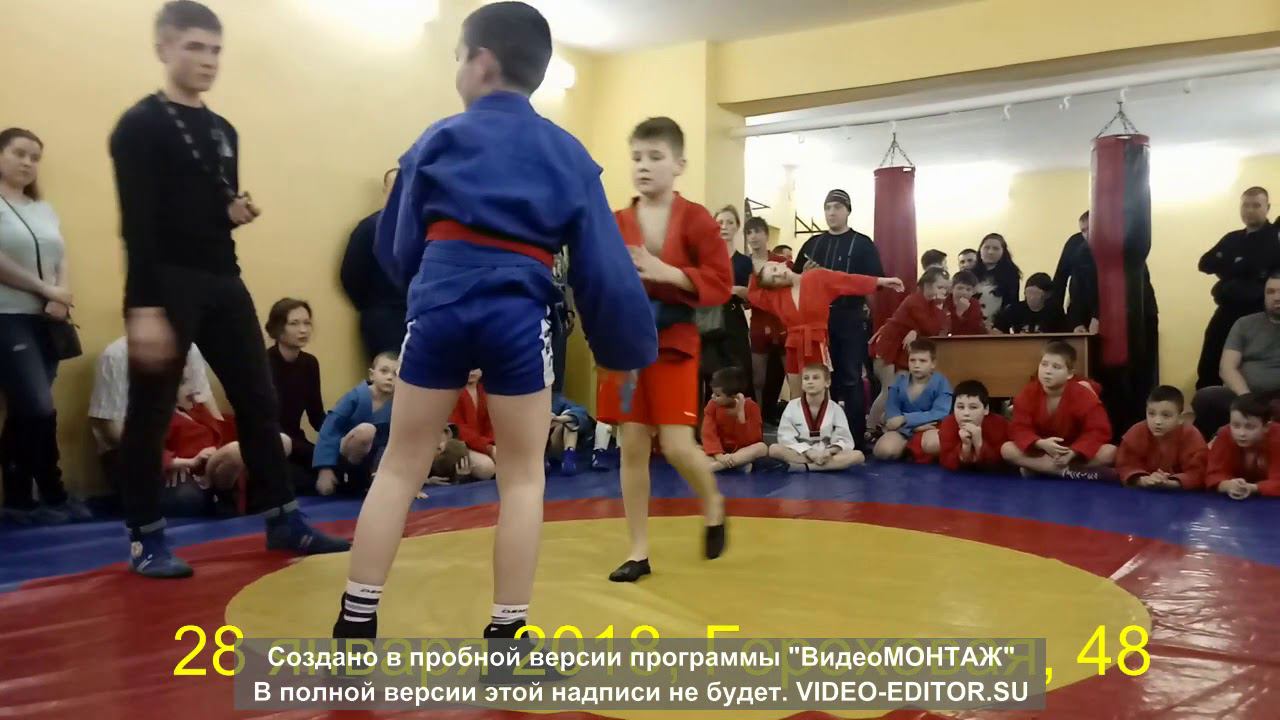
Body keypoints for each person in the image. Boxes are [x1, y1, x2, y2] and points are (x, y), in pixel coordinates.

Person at [334, 1, 656, 640]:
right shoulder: (567, 152)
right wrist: (624, 350)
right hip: (518, 314)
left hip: (441, 302)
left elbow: (395, 246)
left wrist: (429, 288)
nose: (458, 69)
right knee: (523, 475)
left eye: (458, 57)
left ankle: (355, 622)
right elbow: (601, 267)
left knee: (400, 463)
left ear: (481, 63)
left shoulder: (437, 139)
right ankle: (507, 633)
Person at [108, 1, 348, 577]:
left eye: (215, 50)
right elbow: (138, 224)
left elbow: (209, 205)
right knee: (151, 408)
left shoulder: (223, 130)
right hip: (164, 282)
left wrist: (232, 211)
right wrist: (143, 307)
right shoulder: (139, 126)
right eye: (194, 47)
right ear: (164, 48)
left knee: (260, 399)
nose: (208, 60)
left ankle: (283, 519)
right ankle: (145, 537)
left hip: (222, 277)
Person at [594, 116, 731, 584]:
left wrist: (666, 272)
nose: (644, 166)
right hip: (626, 346)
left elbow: (721, 283)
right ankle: (638, 551)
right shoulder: (616, 222)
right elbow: (600, 279)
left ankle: (712, 500)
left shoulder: (696, 219)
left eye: (655, 157)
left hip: (673, 342)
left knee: (675, 445)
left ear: (679, 165)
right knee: (632, 445)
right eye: (636, 157)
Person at [0, 127, 86, 525]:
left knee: (26, 409)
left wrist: (60, 294)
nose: (28, 163)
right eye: (19, 153)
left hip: (47, 320)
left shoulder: (43, 209)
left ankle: (20, 500)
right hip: (8, 317)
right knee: (38, 407)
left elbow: (59, 255)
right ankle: (53, 492)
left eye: (35, 157)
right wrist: (43, 288)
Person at [794, 189, 886, 444]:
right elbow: (794, 282)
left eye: (837, 207)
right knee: (823, 378)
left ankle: (854, 438)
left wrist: (875, 320)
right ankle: (823, 435)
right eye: (827, 208)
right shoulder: (813, 244)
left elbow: (873, 284)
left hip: (850, 317)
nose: (831, 212)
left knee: (851, 378)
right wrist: (804, 275)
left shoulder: (862, 243)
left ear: (848, 211)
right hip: (817, 321)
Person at [749, 260, 901, 399]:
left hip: (817, 342)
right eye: (773, 279)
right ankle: (799, 421)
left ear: (781, 263)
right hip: (794, 346)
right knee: (796, 396)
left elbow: (848, 280)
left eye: (775, 269)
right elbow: (753, 293)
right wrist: (757, 269)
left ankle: (825, 420)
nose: (778, 275)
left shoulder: (817, 277)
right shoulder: (775, 296)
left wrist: (881, 281)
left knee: (821, 391)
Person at [90, 337, 221, 492]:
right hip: (132, 452)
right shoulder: (117, 355)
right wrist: (175, 461)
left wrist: (219, 450)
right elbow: (113, 431)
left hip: (190, 451)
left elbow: (208, 407)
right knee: (187, 495)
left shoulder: (189, 348)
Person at [161, 366, 294, 517]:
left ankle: (249, 493)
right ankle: (226, 497)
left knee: (284, 442)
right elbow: (150, 454)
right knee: (234, 451)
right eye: (183, 383)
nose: (192, 389)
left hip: (218, 459)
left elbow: (224, 427)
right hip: (200, 470)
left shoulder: (197, 411)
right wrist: (188, 462)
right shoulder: (162, 420)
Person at [1195, 187, 1279, 389]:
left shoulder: (1275, 239)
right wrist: (1237, 266)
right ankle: (1208, 402)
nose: (1250, 210)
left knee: (1253, 364)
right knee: (1210, 360)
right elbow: (1205, 263)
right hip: (1227, 310)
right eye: (1245, 205)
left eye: (1256, 205)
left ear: (1267, 208)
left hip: (1259, 312)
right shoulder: (1232, 238)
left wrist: (1231, 264)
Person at [1001, 342, 1117, 480]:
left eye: (1056, 367)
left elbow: (1097, 430)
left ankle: (1041, 469)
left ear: (1069, 374)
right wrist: (1040, 443)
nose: (1047, 371)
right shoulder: (1028, 393)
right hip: (1042, 451)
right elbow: (1019, 428)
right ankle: (1067, 472)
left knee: (1110, 452)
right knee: (1007, 449)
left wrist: (1073, 452)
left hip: (1074, 452)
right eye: (1044, 364)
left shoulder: (1083, 395)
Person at [1192, 270, 1280, 440]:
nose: (1276, 297)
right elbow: (1227, 368)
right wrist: (1246, 398)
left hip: (1277, 397)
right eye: (1270, 292)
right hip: (1244, 394)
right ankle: (1210, 449)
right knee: (1206, 397)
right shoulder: (1244, 324)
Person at [341, 168, 408, 361]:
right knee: (387, 373)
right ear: (385, 190)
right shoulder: (369, 229)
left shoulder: (419, 229)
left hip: (413, 317)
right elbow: (351, 275)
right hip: (383, 317)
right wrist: (373, 307)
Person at [870, 267, 950, 427]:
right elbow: (930, 327)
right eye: (940, 287)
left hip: (900, 349)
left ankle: (886, 425)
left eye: (945, 288)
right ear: (927, 285)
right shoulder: (915, 301)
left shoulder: (928, 304)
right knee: (888, 390)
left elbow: (938, 328)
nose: (944, 292)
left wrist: (915, 330)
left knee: (900, 390)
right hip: (888, 346)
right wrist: (939, 308)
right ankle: (870, 427)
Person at [314, 352, 399, 496]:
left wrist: (410, 483)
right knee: (366, 431)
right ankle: (350, 476)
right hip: (345, 454)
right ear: (372, 375)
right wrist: (325, 469)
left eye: (396, 374)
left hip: (375, 460)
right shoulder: (355, 397)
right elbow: (330, 428)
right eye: (384, 371)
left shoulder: (399, 404)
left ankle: (369, 480)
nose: (390, 377)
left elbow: (402, 443)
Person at [265, 298, 325, 486]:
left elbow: (316, 416)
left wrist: (338, 437)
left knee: (344, 468)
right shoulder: (263, 363)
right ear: (278, 328)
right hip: (273, 444)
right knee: (305, 482)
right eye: (294, 323)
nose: (303, 330)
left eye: (307, 323)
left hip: (298, 441)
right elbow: (265, 421)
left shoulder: (310, 363)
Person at [699, 205, 752, 406]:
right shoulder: (705, 258)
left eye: (730, 222)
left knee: (738, 373)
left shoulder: (744, 262)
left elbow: (751, 295)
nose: (725, 226)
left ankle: (739, 416)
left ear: (737, 227)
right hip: (710, 320)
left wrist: (736, 290)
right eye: (720, 222)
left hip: (734, 318)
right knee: (712, 375)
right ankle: (711, 419)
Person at [769, 364, 865, 471]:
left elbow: (844, 438)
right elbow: (785, 437)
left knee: (858, 455)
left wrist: (829, 451)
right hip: (802, 452)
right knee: (774, 449)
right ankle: (828, 466)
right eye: (806, 378)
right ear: (802, 384)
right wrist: (808, 451)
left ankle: (807, 467)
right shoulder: (792, 406)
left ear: (827, 382)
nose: (810, 382)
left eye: (815, 378)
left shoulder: (835, 408)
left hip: (826, 453)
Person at [1115, 385, 1208, 491]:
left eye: (1166, 415)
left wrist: (1171, 483)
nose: (1157, 421)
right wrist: (1143, 480)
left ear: (1180, 418)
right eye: (1151, 414)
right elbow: (1125, 465)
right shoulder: (1136, 432)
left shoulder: (1191, 435)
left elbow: (1198, 472)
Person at [873, 340, 953, 461]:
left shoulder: (941, 382)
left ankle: (915, 450)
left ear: (933, 364)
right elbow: (892, 412)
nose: (916, 365)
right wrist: (911, 428)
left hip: (930, 428)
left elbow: (940, 413)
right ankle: (907, 448)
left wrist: (905, 419)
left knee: (934, 444)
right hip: (903, 430)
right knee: (882, 451)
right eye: (912, 360)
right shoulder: (899, 380)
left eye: (922, 361)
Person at [742, 216, 788, 419]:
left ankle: (797, 421)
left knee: (793, 374)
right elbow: (745, 301)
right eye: (749, 233)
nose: (753, 237)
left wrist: (750, 293)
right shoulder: (744, 264)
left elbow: (788, 290)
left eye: (757, 232)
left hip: (782, 324)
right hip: (758, 325)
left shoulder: (780, 262)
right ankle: (757, 419)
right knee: (757, 379)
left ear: (766, 235)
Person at [1205, 393, 1280, 499]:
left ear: (1266, 426)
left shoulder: (1277, 437)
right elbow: (1213, 474)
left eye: (1250, 427)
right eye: (1236, 425)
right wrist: (1228, 485)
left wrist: (1253, 488)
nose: (1241, 433)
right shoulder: (1225, 434)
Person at [932, 380, 1009, 471]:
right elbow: (946, 462)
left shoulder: (999, 424)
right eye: (960, 407)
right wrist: (965, 446)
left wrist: (979, 442)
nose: (966, 413)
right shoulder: (948, 423)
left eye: (973, 407)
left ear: (986, 409)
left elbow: (1000, 464)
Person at [701, 367, 767, 473]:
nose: (713, 397)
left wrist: (741, 415)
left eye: (718, 395)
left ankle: (717, 467)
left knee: (761, 448)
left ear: (734, 397)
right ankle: (737, 464)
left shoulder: (752, 407)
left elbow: (753, 439)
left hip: (742, 450)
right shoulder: (712, 405)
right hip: (718, 450)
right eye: (713, 393)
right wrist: (719, 455)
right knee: (696, 449)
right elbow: (708, 433)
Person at [448, 369, 498, 482]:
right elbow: (458, 429)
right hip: (459, 446)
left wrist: (493, 444)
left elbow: (491, 424)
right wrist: (488, 448)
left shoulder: (485, 389)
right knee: (486, 468)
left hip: (483, 442)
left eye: (475, 368)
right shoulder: (451, 391)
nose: (472, 372)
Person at [970, 233, 1022, 327]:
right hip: (972, 324)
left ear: (1003, 252)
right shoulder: (970, 274)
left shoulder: (1011, 275)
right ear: (980, 250)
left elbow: (1012, 304)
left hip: (998, 327)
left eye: (996, 248)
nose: (990, 252)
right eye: (986, 247)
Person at [994, 272, 1067, 334]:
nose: (1031, 297)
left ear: (1047, 294)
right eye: (1028, 292)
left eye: (1036, 293)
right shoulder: (1014, 309)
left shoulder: (1055, 312)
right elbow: (998, 329)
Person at [548, 391, 594, 476]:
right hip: (537, 446)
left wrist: (558, 419)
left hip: (557, 442)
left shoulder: (556, 401)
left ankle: (569, 459)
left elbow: (581, 412)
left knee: (571, 420)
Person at [947, 270, 986, 336]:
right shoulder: (945, 303)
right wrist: (958, 313)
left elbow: (975, 329)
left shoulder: (975, 304)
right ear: (951, 289)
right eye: (960, 288)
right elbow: (948, 329)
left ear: (973, 292)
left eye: (968, 289)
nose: (964, 292)